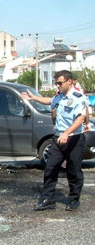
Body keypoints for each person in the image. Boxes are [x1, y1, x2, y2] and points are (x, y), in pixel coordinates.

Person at [30, 70, 87, 211]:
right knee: (50, 168)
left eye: (60, 83)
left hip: (74, 139)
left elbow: (80, 118)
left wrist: (67, 133)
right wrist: (34, 98)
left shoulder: (79, 97)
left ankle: (74, 200)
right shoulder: (59, 96)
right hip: (58, 138)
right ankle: (48, 199)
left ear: (69, 81)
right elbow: (50, 101)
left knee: (73, 171)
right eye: (56, 83)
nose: (58, 85)